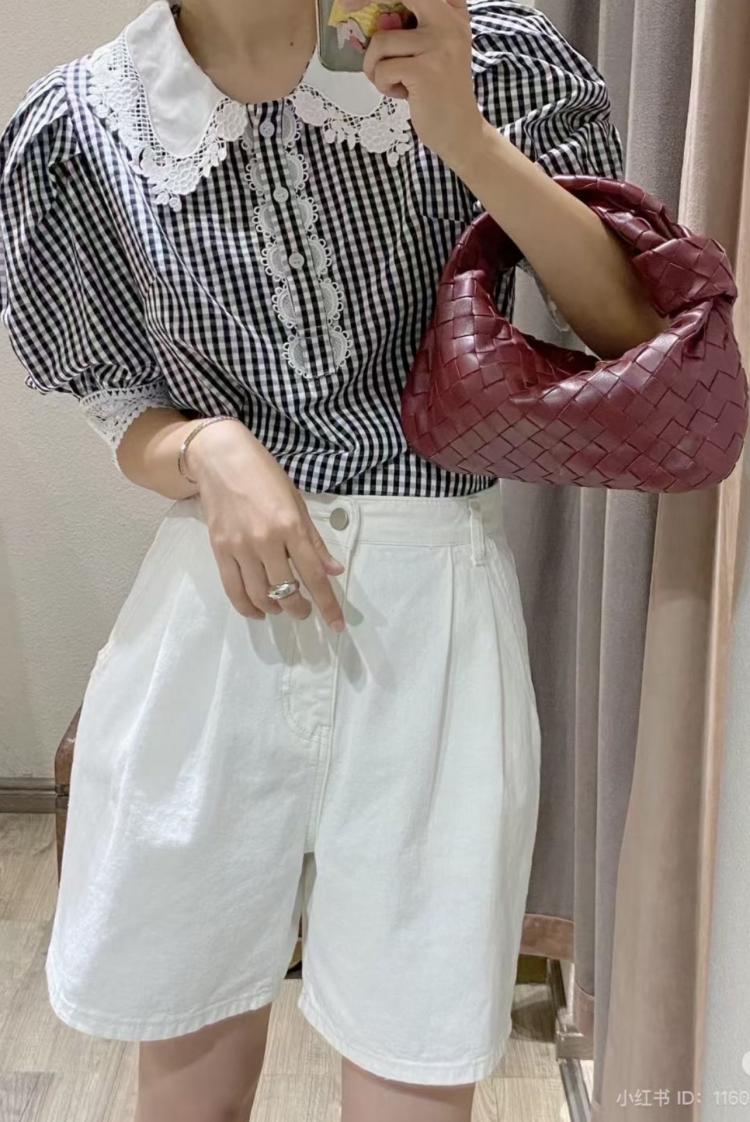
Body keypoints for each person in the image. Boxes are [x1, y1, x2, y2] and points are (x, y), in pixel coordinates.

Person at [0, 1, 641, 1120]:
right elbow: (118, 403)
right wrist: (204, 448)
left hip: (433, 622)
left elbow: (625, 327)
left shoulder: (482, 55)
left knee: (415, 1053)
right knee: (186, 1074)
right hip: (216, 625)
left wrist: (461, 131)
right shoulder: (88, 126)